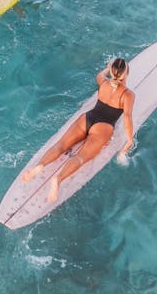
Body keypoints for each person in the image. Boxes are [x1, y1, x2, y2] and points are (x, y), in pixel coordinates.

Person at [21, 57, 135, 202]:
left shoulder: (103, 82)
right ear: (126, 74)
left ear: (112, 72)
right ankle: (58, 179)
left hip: (87, 118)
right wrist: (129, 141)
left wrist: (107, 68)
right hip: (103, 127)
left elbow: (99, 75)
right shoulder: (128, 95)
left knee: (60, 145)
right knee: (81, 157)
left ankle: (39, 166)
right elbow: (127, 118)